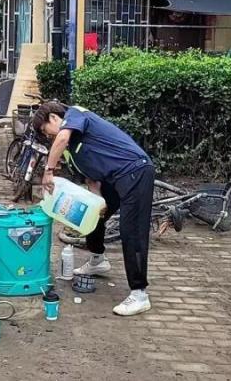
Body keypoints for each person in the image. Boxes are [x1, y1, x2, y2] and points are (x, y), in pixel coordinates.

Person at [35, 102, 155, 317]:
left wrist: (48, 171)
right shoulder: (73, 150)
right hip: (113, 180)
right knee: (91, 215)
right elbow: (92, 181)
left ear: (53, 117)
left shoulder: (75, 114)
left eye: (46, 130)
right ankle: (98, 260)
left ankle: (139, 295)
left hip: (135, 171)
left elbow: (61, 137)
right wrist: (99, 202)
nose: (49, 136)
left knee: (132, 231)